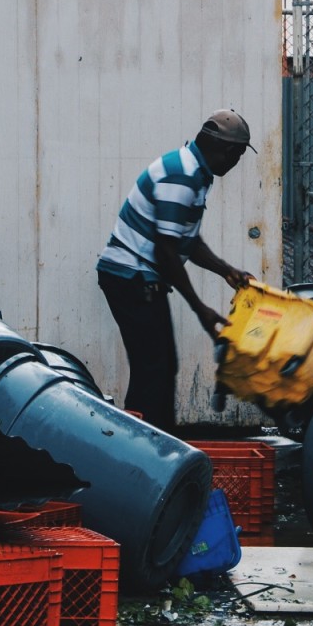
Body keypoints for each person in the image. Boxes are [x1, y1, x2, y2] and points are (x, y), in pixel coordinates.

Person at [96, 109, 255, 431]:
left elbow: (187, 241)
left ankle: (154, 448)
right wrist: (200, 309)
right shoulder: (182, 176)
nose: (237, 163)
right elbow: (166, 251)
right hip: (131, 277)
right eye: (238, 156)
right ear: (228, 151)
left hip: (137, 277)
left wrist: (227, 271)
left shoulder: (193, 170)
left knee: (159, 367)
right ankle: (148, 452)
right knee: (154, 370)